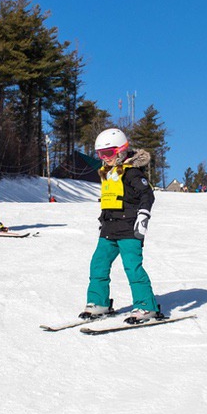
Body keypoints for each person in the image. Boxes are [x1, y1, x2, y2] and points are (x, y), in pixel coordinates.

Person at [79, 128, 161, 323]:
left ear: (121, 150)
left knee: (132, 267)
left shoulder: (131, 173)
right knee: (98, 264)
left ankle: (146, 306)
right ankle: (99, 303)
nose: (104, 158)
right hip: (109, 229)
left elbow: (147, 195)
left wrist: (143, 216)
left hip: (129, 229)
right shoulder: (109, 173)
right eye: (100, 154)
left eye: (107, 153)